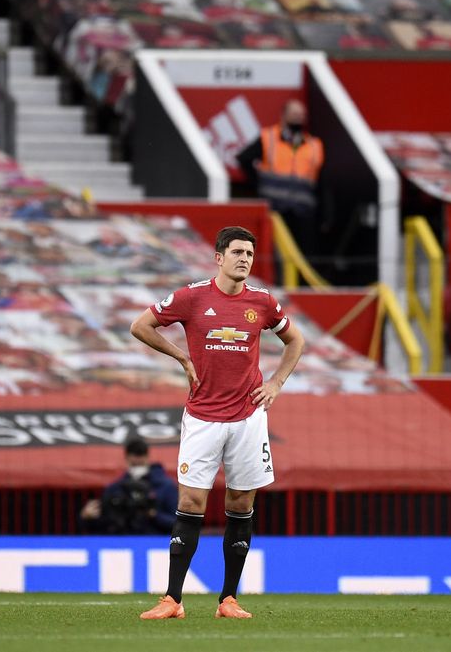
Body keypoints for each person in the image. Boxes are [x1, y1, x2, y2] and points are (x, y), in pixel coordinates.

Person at [130, 226, 304, 619]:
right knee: (190, 502)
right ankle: (173, 599)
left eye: (250, 253)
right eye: (238, 252)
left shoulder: (262, 303)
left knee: (241, 503)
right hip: (203, 417)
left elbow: (296, 341)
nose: (245, 259)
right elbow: (140, 326)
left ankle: (228, 600)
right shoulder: (191, 297)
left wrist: (276, 382)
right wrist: (181, 357)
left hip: (248, 418)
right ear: (219, 257)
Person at [235, 99, 324, 254]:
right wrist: (258, 185)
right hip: (275, 209)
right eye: (294, 113)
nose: (298, 117)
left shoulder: (314, 145)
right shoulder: (268, 137)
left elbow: (320, 179)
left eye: (301, 114)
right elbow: (244, 159)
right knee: (274, 253)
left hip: (303, 211)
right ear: (283, 115)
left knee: (304, 254)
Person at [79, 437, 178, 534]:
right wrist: (87, 517)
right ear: (126, 460)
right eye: (134, 465)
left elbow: (177, 524)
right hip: (123, 542)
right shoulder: (115, 488)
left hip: (154, 543)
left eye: (140, 464)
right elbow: (103, 525)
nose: (137, 468)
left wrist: (153, 514)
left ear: (147, 458)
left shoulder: (165, 487)